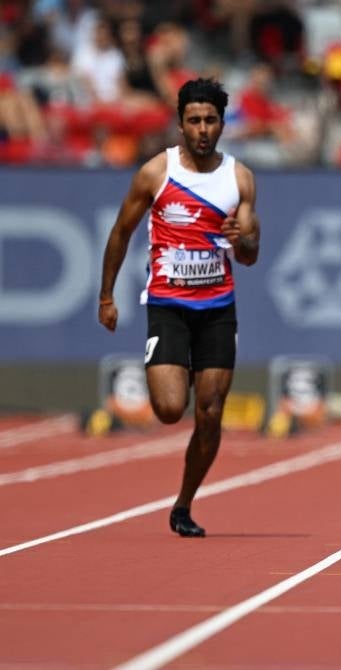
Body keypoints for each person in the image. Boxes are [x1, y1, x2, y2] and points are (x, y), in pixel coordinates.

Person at [97, 78, 261, 537]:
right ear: (180, 124)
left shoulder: (239, 178)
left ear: (223, 124)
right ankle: (171, 366)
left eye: (210, 120)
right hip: (168, 304)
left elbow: (250, 253)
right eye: (194, 120)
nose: (203, 129)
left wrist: (242, 240)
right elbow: (120, 232)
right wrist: (107, 296)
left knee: (209, 412)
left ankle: (184, 504)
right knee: (171, 409)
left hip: (217, 308)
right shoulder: (156, 172)